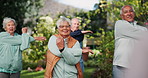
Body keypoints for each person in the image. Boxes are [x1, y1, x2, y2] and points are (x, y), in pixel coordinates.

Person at [112, 5, 148, 78]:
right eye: (125, 12)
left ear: (134, 14)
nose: (129, 13)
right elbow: (143, 35)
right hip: (121, 66)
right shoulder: (120, 24)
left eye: (131, 11)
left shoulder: (141, 28)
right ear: (122, 16)